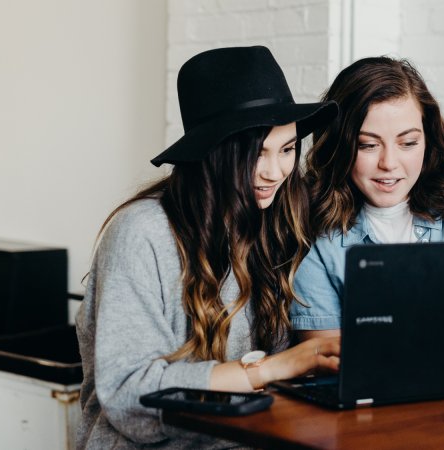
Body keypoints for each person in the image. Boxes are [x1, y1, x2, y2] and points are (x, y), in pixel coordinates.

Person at [75, 46, 339, 448]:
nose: (274, 172)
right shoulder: (141, 233)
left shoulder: (274, 224)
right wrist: (268, 369)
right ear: (213, 153)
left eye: (287, 150)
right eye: (255, 153)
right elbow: (129, 392)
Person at [291, 56, 444, 353]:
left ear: (428, 138)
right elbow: (322, 352)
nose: (389, 163)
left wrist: (403, 339)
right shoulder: (310, 221)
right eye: (368, 145)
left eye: (408, 143)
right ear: (340, 145)